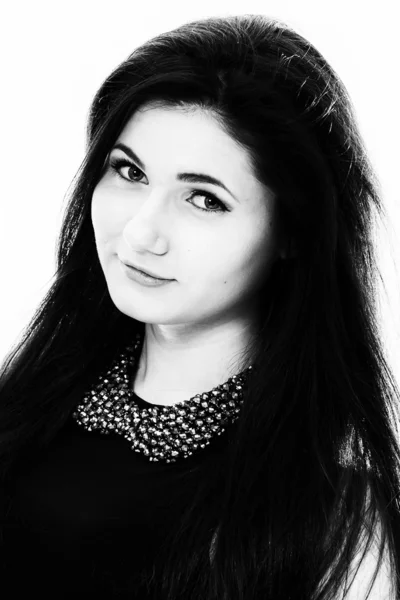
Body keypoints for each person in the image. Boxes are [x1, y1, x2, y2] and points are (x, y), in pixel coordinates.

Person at [0, 13, 399, 600]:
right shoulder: (25, 414)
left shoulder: (335, 515)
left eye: (204, 200)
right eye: (129, 171)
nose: (140, 233)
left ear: (292, 232)